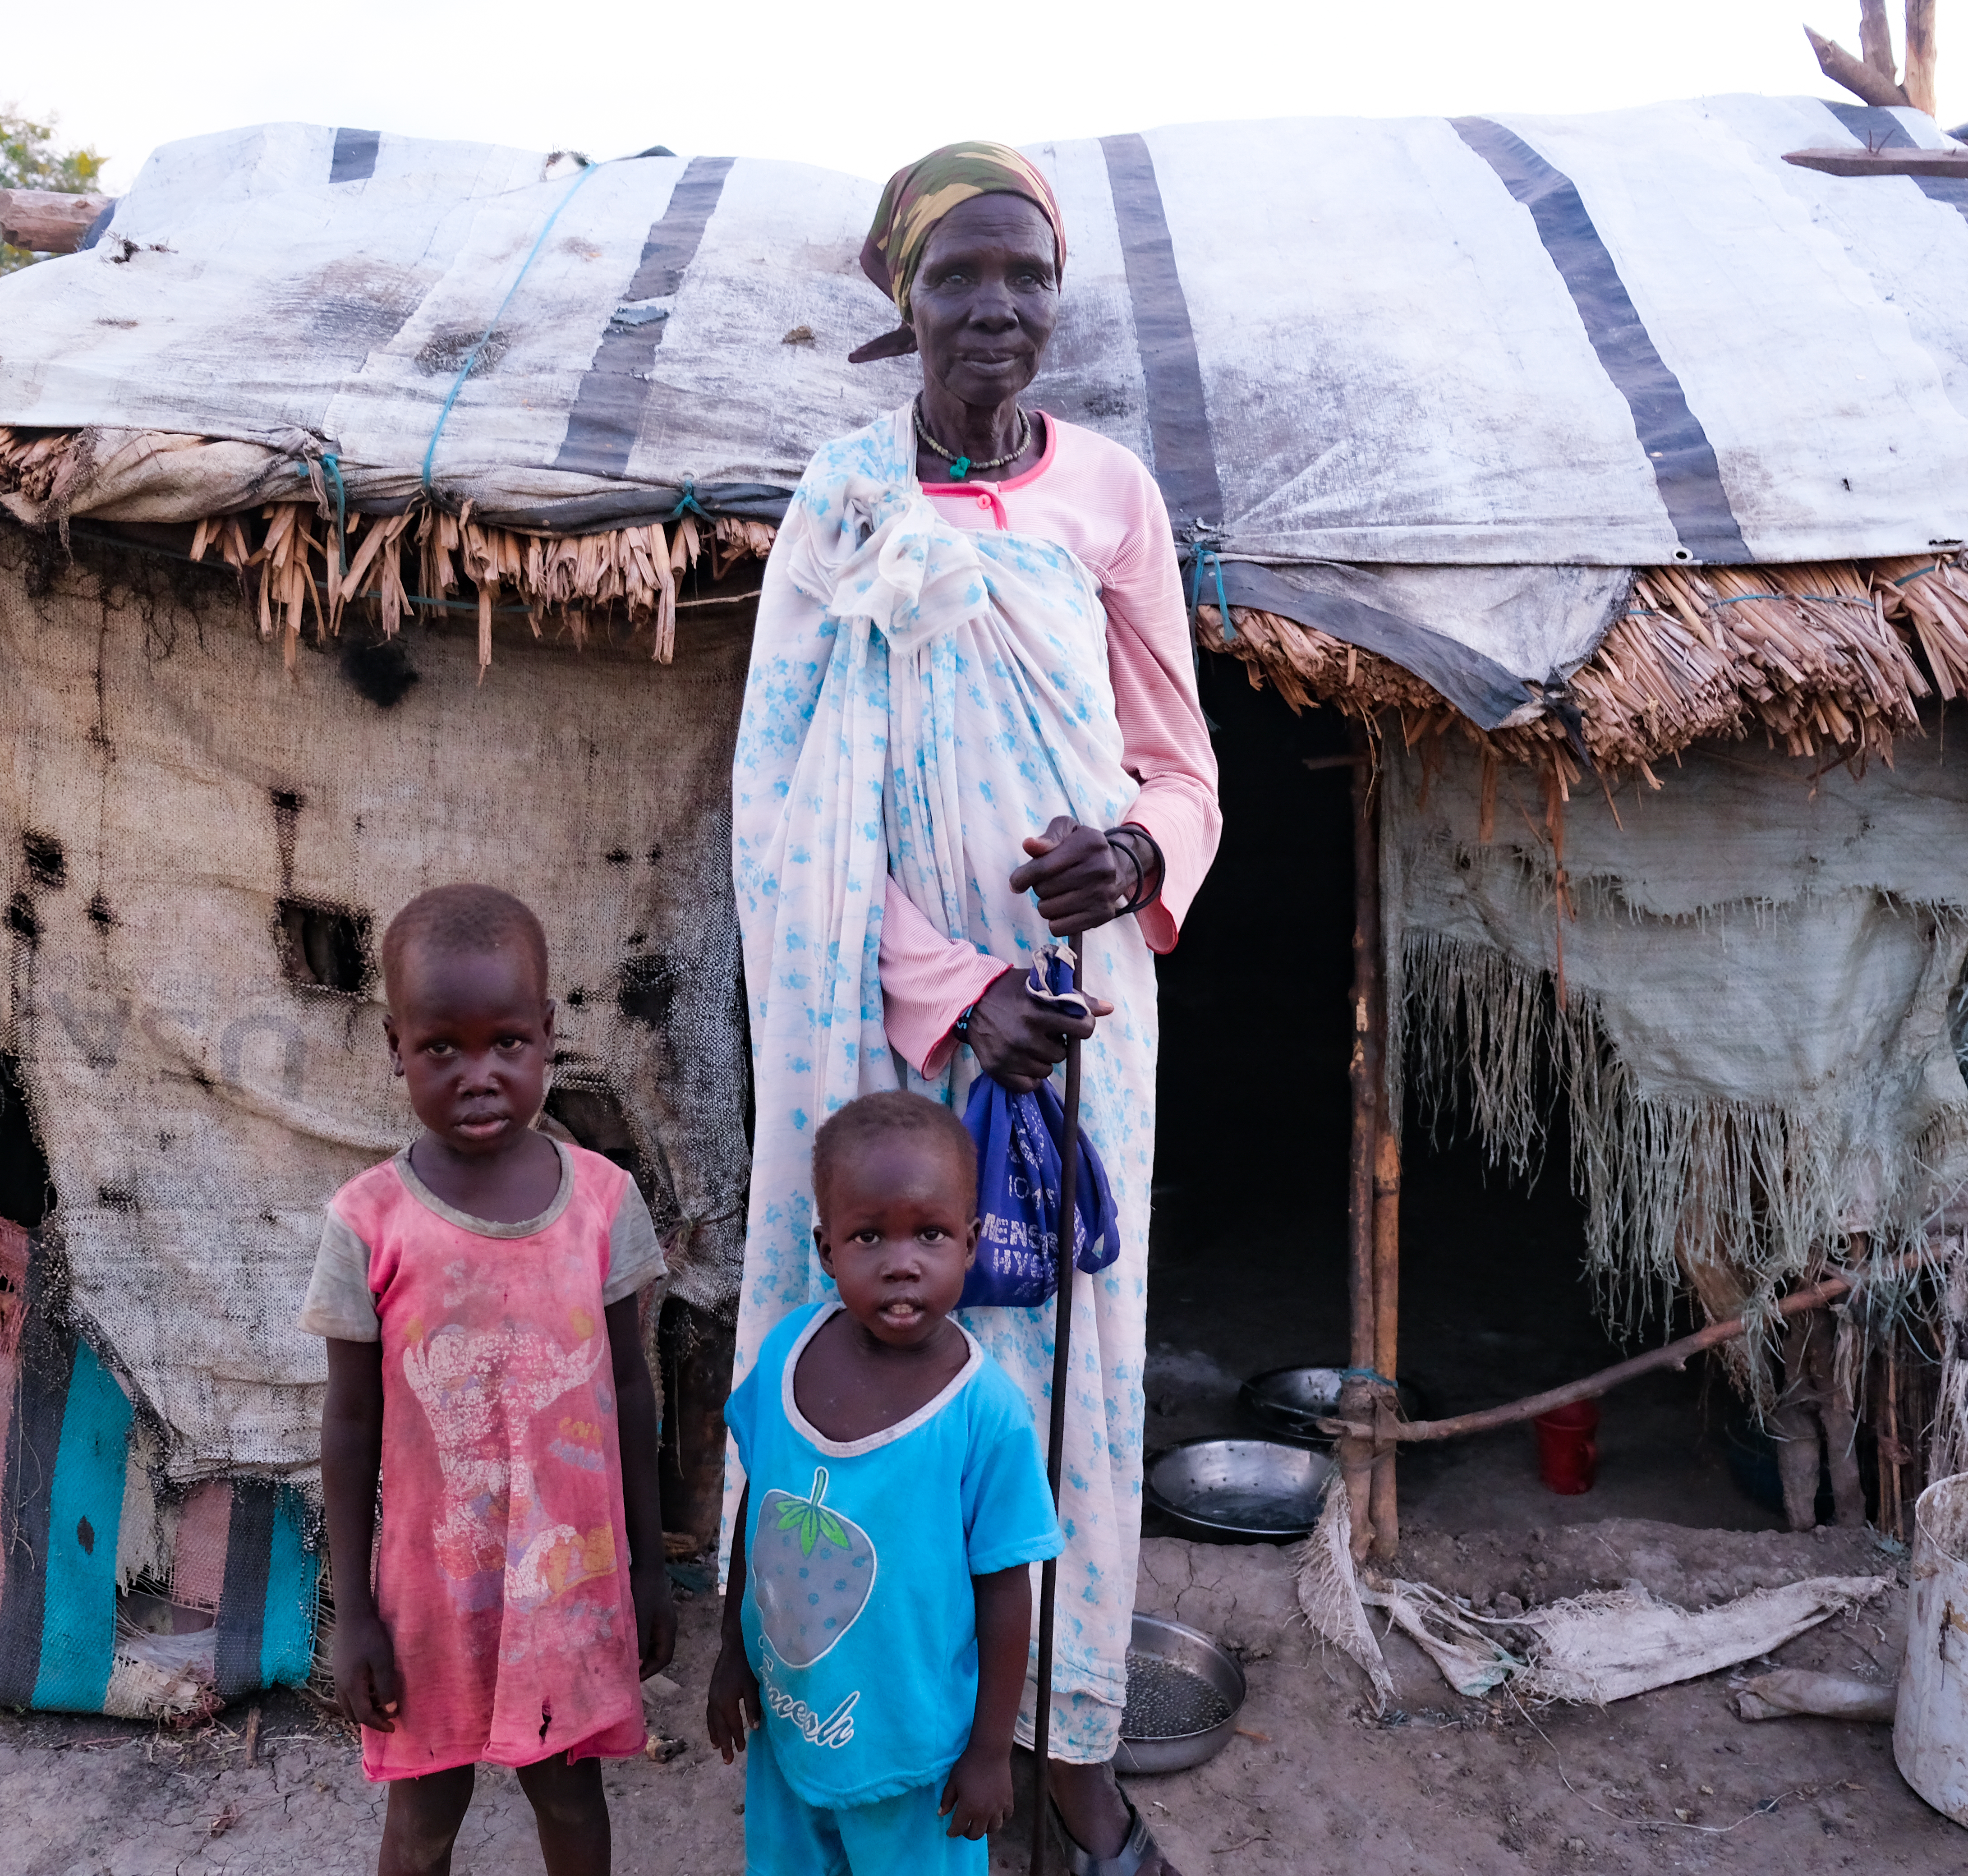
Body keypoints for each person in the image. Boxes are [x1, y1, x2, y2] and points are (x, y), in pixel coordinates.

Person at [731, 142, 1220, 1876]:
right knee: (896, 1347)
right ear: (905, 302)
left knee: (1080, 1356)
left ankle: (1070, 1736)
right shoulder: (845, 496)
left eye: (1025, 275)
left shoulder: (1113, 495)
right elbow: (785, 805)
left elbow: (1182, 763)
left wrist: (1138, 849)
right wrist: (952, 990)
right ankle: (892, 1717)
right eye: (959, 277)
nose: (996, 306)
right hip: (903, 1029)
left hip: (1090, 1011)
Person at [301, 883, 677, 1876]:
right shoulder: (369, 1221)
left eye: (507, 1043)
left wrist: (646, 1564)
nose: (479, 1076)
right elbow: (348, 1427)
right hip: (431, 1598)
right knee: (424, 1820)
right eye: (442, 1049)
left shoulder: (604, 1201)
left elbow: (631, 1395)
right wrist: (356, 1613)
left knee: (572, 1798)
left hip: (573, 1579)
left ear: (548, 1034)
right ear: (394, 1045)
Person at [707, 1091, 1062, 1875]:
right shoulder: (786, 1354)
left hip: (918, 1758)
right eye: (870, 1236)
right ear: (826, 1249)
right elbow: (758, 1513)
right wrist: (733, 1652)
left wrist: (991, 1753)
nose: (902, 1262)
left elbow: (1008, 1592)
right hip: (791, 1725)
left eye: (930, 1235)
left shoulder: (985, 1413)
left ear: (969, 1245)